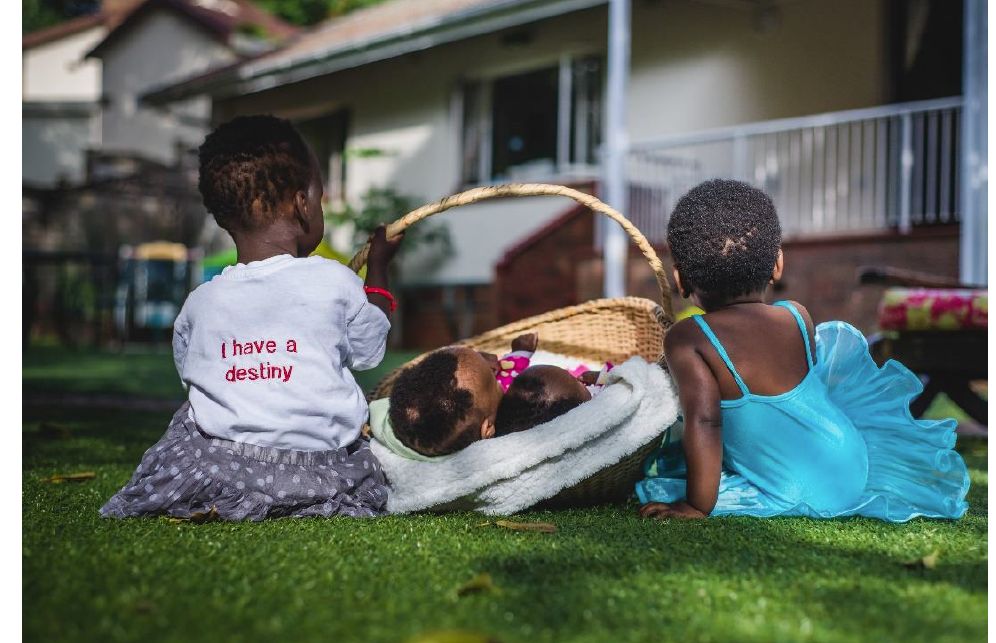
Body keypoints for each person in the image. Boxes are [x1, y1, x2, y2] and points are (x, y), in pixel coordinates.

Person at [100, 115, 403, 521]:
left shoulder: (200, 303)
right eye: (319, 197)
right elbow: (369, 350)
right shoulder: (335, 279)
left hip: (217, 469)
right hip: (320, 471)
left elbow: (193, 375)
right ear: (302, 204)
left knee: (191, 418)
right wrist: (379, 268)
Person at [637, 179, 969, 522]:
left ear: (680, 280)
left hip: (800, 487)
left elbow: (705, 421)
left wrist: (696, 505)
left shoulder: (688, 337)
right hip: (853, 464)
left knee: (658, 482)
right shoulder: (797, 315)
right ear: (777, 265)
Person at [375, 334, 605, 457]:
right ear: (488, 429)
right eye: (494, 382)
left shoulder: (407, 418)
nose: (499, 374)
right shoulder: (519, 431)